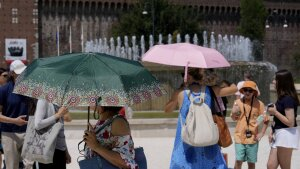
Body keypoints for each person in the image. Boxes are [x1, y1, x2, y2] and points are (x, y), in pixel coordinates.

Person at [169, 68, 237, 168]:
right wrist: (230, 83)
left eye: (184, 74)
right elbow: (234, 89)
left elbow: (168, 109)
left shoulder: (180, 94)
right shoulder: (211, 90)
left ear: (188, 76)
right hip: (207, 138)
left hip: (187, 141)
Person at [83, 104, 138, 168]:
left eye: (92, 97)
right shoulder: (104, 121)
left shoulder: (118, 122)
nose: (89, 101)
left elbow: (128, 163)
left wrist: (96, 147)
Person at [0, 60, 32, 169]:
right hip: (9, 134)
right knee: (12, 166)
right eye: (20, 72)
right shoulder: (3, 90)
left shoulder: (29, 89)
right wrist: (14, 121)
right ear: (12, 73)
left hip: (28, 132)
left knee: (29, 165)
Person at [231, 81, 269, 169]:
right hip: (239, 136)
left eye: (250, 90)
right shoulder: (237, 102)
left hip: (253, 138)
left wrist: (262, 133)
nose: (247, 92)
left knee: (251, 163)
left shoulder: (260, 104)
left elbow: (266, 120)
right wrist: (233, 113)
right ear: (242, 91)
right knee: (238, 160)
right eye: (245, 90)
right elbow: (234, 118)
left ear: (254, 92)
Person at [266, 69, 300, 169]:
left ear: (282, 82)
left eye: (275, 79)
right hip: (280, 133)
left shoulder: (288, 99)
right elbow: (278, 119)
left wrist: (275, 112)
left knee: (285, 167)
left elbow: (290, 122)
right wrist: (272, 131)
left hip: (287, 134)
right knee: (271, 166)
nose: (273, 81)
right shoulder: (281, 97)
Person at [34, 99, 72, 169]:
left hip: (60, 151)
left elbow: (60, 130)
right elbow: (37, 124)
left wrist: (66, 151)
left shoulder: (60, 103)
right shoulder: (43, 100)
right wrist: (58, 115)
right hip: (46, 150)